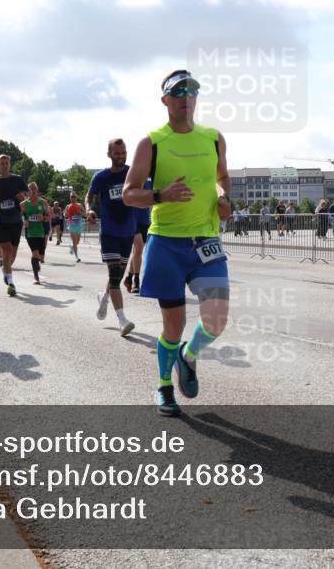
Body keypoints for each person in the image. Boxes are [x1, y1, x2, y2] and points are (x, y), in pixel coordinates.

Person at [123, 69, 233, 417]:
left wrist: (224, 197)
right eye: (179, 91)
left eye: (192, 90)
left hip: (205, 242)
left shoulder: (213, 138)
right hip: (167, 244)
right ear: (165, 99)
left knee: (216, 320)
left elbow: (222, 177)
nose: (187, 96)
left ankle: (188, 356)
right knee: (173, 326)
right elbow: (128, 194)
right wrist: (160, 195)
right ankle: (164, 386)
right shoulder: (151, 143)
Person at [87, 138, 137, 336]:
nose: (121, 156)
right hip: (109, 232)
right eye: (117, 153)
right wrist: (89, 209)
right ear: (109, 154)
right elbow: (89, 196)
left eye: (123, 152)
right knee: (115, 277)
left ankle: (104, 296)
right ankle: (122, 320)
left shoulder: (132, 172)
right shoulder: (101, 177)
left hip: (128, 231)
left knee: (117, 275)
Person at [0, 154, 27, 296]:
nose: (4, 165)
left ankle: (6, 270)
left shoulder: (17, 179)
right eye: (2, 163)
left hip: (16, 220)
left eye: (6, 163)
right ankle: (11, 282)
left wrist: (23, 198)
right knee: (7, 251)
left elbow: (26, 195)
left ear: (10, 165)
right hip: (2, 220)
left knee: (13, 254)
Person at [125, 179, 152, 294]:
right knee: (139, 248)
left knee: (137, 251)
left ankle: (128, 278)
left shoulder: (150, 183)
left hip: (145, 220)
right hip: (132, 220)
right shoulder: (132, 181)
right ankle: (136, 281)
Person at [21, 183, 50, 285]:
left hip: (41, 232)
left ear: (37, 190)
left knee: (41, 257)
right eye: (31, 189)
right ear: (27, 191)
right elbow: (18, 216)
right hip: (30, 232)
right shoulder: (23, 204)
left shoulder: (43, 202)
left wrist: (44, 218)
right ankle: (36, 277)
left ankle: (37, 263)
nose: (33, 191)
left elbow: (49, 216)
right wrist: (24, 222)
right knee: (35, 254)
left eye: (35, 189)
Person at [65, 192, 85, 262]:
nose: (73, 198)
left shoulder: (80, 205)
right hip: (71, 225)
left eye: (74, 197)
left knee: (77, 242)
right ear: (70, 198)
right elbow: (65, 215)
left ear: (76, 198)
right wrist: (67, 214)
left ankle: (72, 248)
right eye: (72, 197)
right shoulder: (68, 206)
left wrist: (80, 212)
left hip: (78, 225)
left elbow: (85, 214)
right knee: (74, 241)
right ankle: (77, 257)